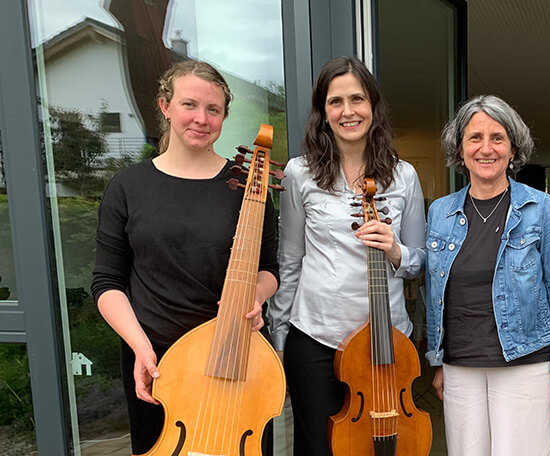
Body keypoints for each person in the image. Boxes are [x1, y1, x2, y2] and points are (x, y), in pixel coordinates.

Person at [91, 60, 279, 455]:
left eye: (213, 110)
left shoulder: (248, 186)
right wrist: (141, 348)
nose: (201, 118)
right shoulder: (128, 187)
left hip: (234, 363)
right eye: (189, 105)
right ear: (166, 107)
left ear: (225, 116)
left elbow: (269, 269)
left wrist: (256, 296)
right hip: (157, 360)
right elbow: (107, 282)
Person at [271, 56, 426, 456]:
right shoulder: (298, 173)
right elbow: (290, 261)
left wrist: (394, 249)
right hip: (317, 339)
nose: (347, 111)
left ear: (373, 106)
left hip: (386, 344)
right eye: (335, 101)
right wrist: (281, 340)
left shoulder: (403, 175)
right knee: (318, 447)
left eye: (357, 99)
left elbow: (419, 261)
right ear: (323, 112)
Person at [425, 94, 550, 456]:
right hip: (460, 364)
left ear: (513, 149)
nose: (486, 148)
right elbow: (435, 292)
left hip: (526, 362)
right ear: (460, 149)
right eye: (475, 138)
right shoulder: (440, 212)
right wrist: (438, 360)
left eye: (497, 138)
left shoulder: (539, 207)